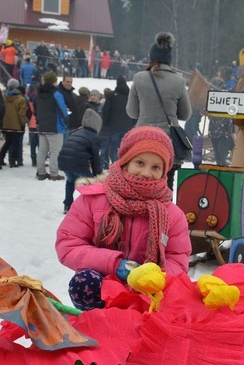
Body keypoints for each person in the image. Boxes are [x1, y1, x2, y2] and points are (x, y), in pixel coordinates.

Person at [55, 126, 192, 311]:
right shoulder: (93, 199)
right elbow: (68, 245)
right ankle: (96, 326)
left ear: (164, 171)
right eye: (140, 163)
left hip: (145, 292)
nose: (146, 173)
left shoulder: (172, 215)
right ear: (126, 162)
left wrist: (152, 277)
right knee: (83, 283)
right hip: (101, 283)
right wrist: (114, 264)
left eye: (156, 167)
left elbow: (178, 259)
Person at [126, 32, 192, 191]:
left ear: (151, 57)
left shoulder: (139, 78)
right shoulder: (178, 80)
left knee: (139, 184)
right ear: (169, 58)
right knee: (166, 188)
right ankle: (165, 214)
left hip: (142, 139)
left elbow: (132, 112)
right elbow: (185, 114)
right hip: (168, 143)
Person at [58, 108, 104, 214]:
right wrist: (98, 175)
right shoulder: (94, 137)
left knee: (70, 181)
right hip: (77, 164)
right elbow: (95, 158)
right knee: (91, 185)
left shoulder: (76, 132)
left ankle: (67, 204)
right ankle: (92, 207)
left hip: (64, 161)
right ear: (97, 125)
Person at [34, 70, 69, 181]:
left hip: (42, 125)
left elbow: (35, 109)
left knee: (42, 150)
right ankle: (54, 173)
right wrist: (67, 121)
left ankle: (41, 172)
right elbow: (62, 109)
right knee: (55, 151)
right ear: (54, 81)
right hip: (55, 126)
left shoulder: (38, 94)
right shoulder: (56, 94)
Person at [102, 75, 135, 165]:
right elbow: (135, 110)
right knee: (125, 147)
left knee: (114, 147)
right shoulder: (130, 96)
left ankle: (115, 165)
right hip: (127, 126)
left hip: (114, 126)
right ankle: (124, 164)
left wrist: (105, 123)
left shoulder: (111, 95)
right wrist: (133, 124)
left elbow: (106, 110)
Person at [0, 78, 27, 167]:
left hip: (6, 124)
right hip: (16, 124)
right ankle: (13, 161)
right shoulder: (21, 99)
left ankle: (0, 158)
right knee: (16, 143)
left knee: (8, 142)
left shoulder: (5, 97)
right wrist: (23, 124)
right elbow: (21, 114)